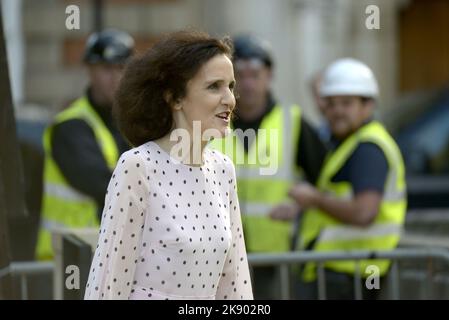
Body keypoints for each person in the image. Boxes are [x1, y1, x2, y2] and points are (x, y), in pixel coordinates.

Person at [84, 30, 253, 300]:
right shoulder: (138, 166)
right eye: (214, 86)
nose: (230, 99)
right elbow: (108, 282)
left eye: (231, 86)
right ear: (174, 98)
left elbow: (235, 283)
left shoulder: (223, 170)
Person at [209, 34, 327, 299]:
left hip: (274, 255)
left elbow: (325, 180)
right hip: (219, 254)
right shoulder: (210, 122)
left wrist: (299, 205)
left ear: (269, 75)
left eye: (255, 74)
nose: (248, 84)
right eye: (240, 76)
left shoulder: (291, 121)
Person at [285, 58, 407, 299]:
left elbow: (364, 212)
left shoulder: (368, 148)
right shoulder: (347, 143)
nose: (337, 111)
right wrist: (305, 208)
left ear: (368, 105)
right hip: (341, 271)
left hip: (351, 274)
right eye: (331, 104)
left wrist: (315, 199)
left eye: (347, 103)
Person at [35, 29, 134, 260]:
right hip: (66, 261)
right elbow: (104, 184)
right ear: (89, 70)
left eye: (122, 68)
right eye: (107, 69)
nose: (116, 78)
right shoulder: (70, 127)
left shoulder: (130, 124)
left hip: (107, 259)